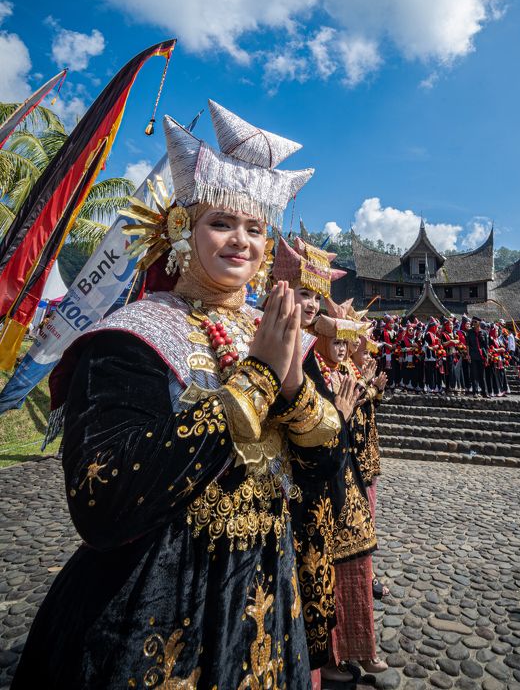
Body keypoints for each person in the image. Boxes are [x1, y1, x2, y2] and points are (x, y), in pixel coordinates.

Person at [12, 102, 342, 690]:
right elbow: (104, 501)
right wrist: (257, 380)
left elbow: (326, 469)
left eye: (256, 228)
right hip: (162, 588)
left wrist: (292, 387)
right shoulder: (130, 337)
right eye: (221, 223)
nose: (242, 240)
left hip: (266, 582)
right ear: (180, 229)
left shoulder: (268, 331)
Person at [269, 234, 351, 688]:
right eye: (305, 293)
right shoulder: (270, 347)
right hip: (285, 502)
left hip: (314, 497)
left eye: (319, 296)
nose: (314, 304)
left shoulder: (305, 352)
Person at [311, 306, 386, 681]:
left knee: (357, 564)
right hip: (325, 484)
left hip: (349, 476)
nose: (343, 348)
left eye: (347, 341)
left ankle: (361, 648)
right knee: (329, 572)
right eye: (336, 341)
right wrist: (345, 408)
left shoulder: (342, 373)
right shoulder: (311, 374)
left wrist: (367, 392)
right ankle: (331, 656)